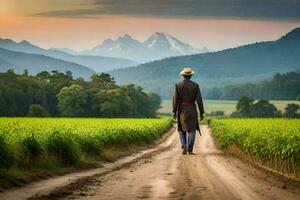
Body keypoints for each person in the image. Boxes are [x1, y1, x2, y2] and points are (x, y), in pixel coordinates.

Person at [172, 67, 204, 155]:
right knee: (192, 129)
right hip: (192, 109)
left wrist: (174, 111)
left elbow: (175, 99)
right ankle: (190, 149)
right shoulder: (195, 86)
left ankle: (184, 145)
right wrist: (201, 112)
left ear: (183, 75)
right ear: (191, 75)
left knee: (181, 129)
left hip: (182, 109)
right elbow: (199, 100)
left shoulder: (178, 86)